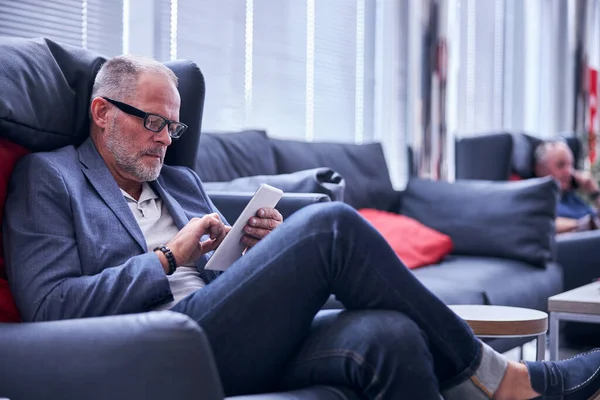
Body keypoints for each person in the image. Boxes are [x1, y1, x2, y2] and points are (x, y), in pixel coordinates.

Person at [3, 55, 600, 400]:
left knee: (388, 334)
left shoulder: (178, 182)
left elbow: (216, 278)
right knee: (331, 227)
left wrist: (247, 251)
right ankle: (513, 382)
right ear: (102, 113)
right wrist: (167, 260)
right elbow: (52, 305)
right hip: (151, 343)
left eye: (173, 128)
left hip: (222, 323)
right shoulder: (49, 180)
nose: (165, 139)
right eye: (153, 122)